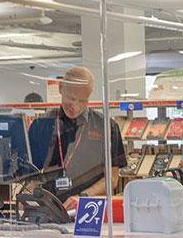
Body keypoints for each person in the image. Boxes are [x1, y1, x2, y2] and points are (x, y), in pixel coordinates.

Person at [27, 66, 127, 210]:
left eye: (82, 101)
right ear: (61, 88)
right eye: (71, 98)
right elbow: (30, 175)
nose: (75, 106)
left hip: (89, 209)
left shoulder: (106, 127)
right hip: (48, 209)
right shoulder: (40, 125)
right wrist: (32, 196)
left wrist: (83, 197)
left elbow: (112, 178)